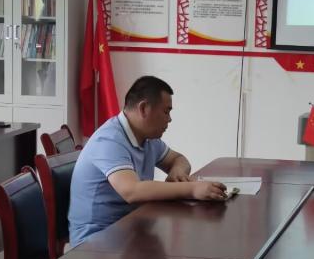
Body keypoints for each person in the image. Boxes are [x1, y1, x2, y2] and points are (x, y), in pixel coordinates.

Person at [68, 75, 227, 246]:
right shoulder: (109, 140)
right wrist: (193, 189)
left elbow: (179, 159)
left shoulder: (148, 138)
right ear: (143, 108)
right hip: (96, 241)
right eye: (166, 111)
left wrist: (177, 172)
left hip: (131, 229)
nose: (169, 119)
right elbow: (132, 191)